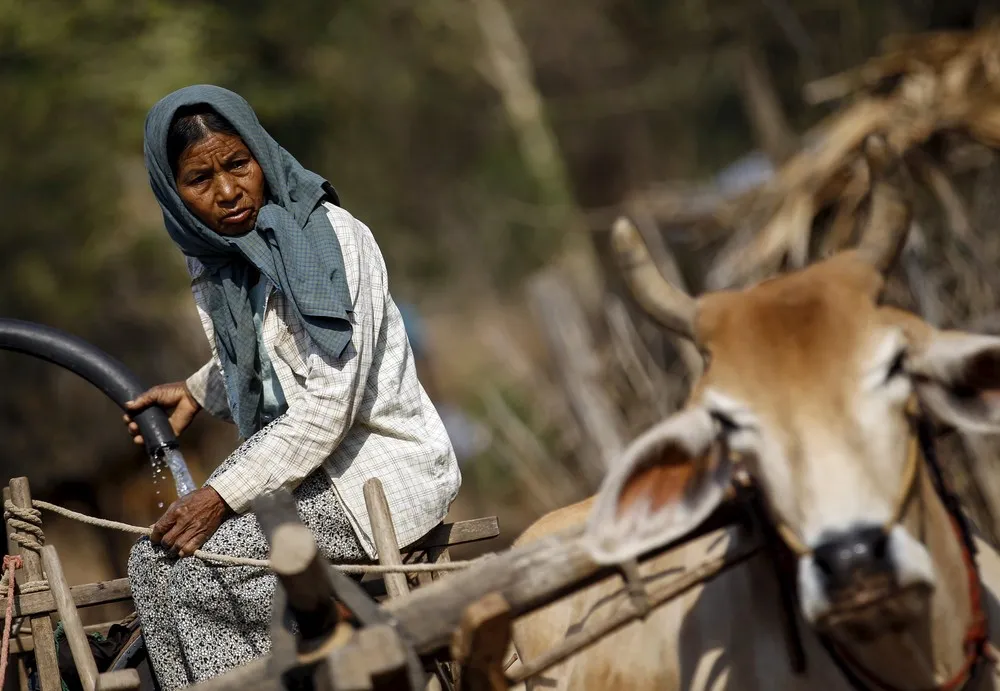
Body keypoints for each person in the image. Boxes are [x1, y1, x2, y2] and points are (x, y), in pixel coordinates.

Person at [121, 84, 461, 690]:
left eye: (237, 164)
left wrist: (221, 495)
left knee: (206, 573)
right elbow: (269, 356)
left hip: (369, 470)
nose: (227, 192)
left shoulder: (329, 239)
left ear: (261, 153)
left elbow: (329, 402)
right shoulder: (214, 256)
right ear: (173, 194)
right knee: (150, 564)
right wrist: (199, 392)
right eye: (200, 180)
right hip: (303, 475)